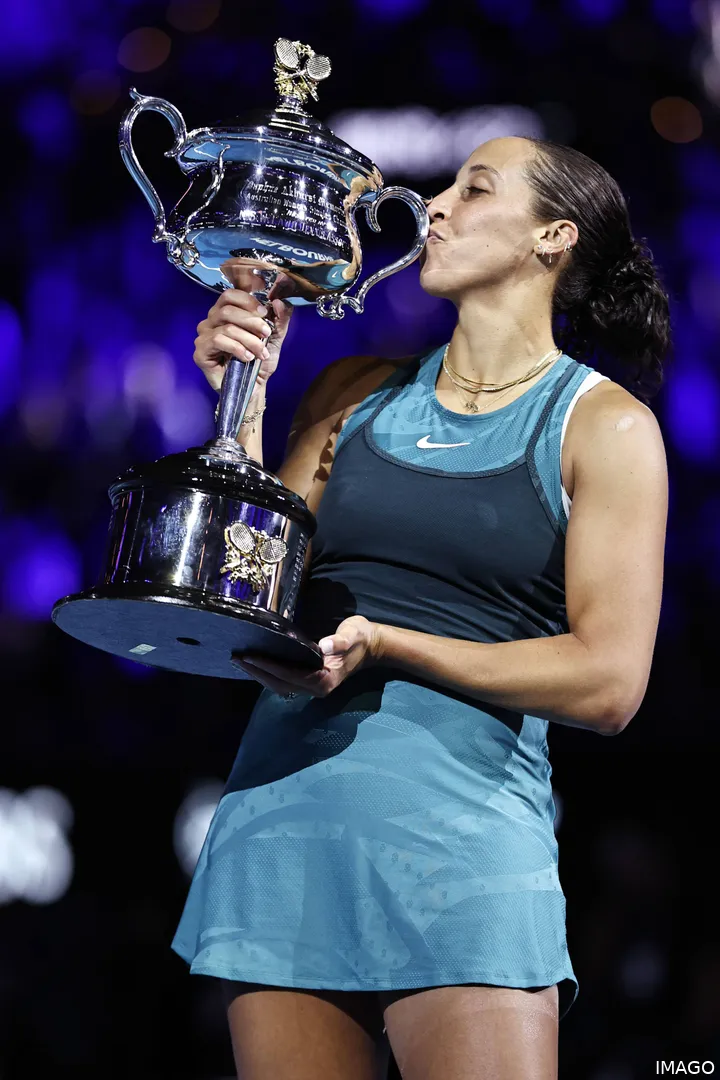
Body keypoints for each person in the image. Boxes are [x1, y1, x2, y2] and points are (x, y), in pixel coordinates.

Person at [171, 136, 670, 1080]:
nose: (431, 206)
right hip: (287, 834)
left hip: (466, 857)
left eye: (472, 189)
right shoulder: (349, 394)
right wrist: (241, 402)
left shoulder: (603, 426)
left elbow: (610, 682)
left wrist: (393, 643)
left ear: (551, 239)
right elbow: (252, 591)